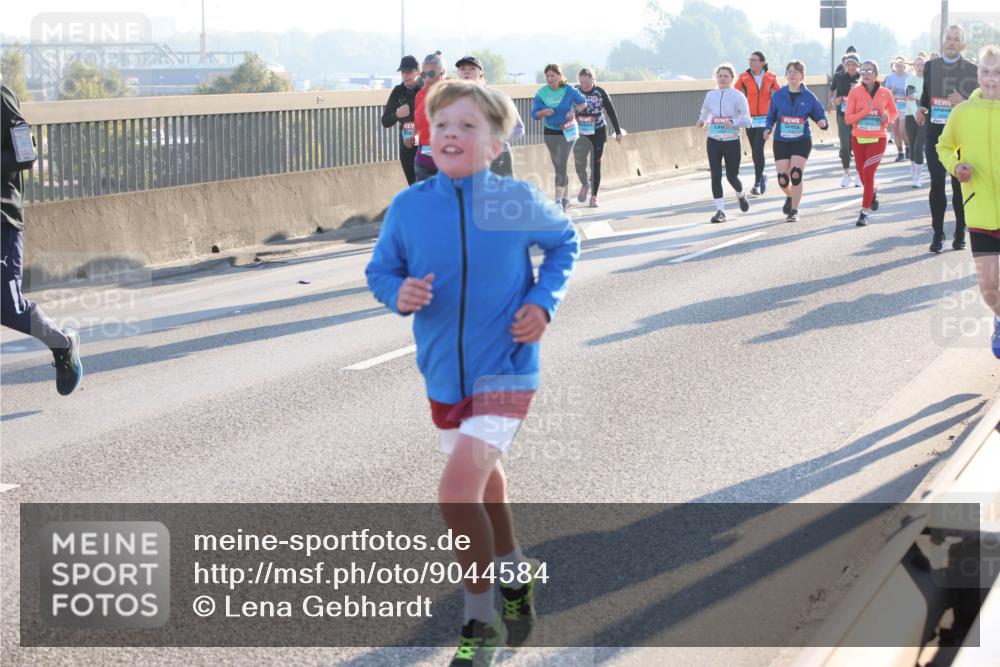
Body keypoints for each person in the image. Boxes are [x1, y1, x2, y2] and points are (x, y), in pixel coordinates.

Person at [366, 79, 579, 666]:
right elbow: (380, 270)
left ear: (496, 142)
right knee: (484, 480)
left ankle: (479, 619)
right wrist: (398, 293)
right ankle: (514, 575)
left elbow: (565, 243)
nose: (452, 134)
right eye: (443, 126)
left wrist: (542, 302)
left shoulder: (513, 201)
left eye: (468, 126)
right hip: (442, 376)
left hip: (507, 371)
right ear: (427, 138)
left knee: (458, 489)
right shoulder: (410, 206)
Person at [1, 82, 82, 395]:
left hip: (2, 218)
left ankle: (61, 343)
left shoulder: (1, 96)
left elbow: (25, 154)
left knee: (8, 307)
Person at [937, 45, 1000, 357]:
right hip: (980, 212)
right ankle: (999, 317)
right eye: (986, 72)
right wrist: (955, 166)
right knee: (989, 288)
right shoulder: (963, 113)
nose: (991, 79)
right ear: (978, 75)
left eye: (998, 72)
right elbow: (944, 147)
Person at [917, 25, 979, 253]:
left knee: (958, 186)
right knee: (936, 183)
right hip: (936, 134)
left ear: (963, 44)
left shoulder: (973, 70)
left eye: (956, 39)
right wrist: (921, 108)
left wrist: (962, 100)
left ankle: (960, 231)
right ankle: (937, 234)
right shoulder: (931, 66)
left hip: (963, 137)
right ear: (943, 41)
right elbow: (926, 93)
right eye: (948, 38)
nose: (952, 42)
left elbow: (980, 103)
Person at [763, 61, 829, 222]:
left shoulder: (809, 96)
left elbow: (820, 115)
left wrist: (822, 122)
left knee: (796, 174)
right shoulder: (778, 95)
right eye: (789, 71)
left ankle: (794, 210)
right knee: (783, 179)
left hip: (802, 140)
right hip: (781, 140)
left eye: (796, 72)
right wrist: (768, 128)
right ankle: (791, 195)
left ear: (802, 76)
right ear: (786, 75)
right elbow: (771, 115)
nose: (792, 74)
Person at [845, 60, 898, 226]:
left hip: (878, 139)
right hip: (858, 139)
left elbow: (894, 113)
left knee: (868, 173)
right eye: (864, 70)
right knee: (862, 175)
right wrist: (865, 112)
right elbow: (848, 119)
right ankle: (872, 191)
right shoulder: (855, 92)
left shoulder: (885, 93)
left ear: (876, 73)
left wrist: (887, 119)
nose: (866, 73)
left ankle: (864, 212)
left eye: (870, 70)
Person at [697, 63, 752, 223]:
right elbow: (705, 112)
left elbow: (747, 120)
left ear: (732, 78)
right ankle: (720, 211)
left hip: (732, 141)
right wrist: (702, 121)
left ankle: (741, 194)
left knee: (731, 176)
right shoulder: (710, 95)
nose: (722, 79)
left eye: (726, 76)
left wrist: (733, 122)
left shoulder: (738, 96)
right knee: (715, 175)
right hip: (713, 139)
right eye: (720, 75)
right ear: (716, 77)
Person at [456, 55, 525, 177]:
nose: (466, 72)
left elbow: (518, 128)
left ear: (481, 73)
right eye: (462, 69)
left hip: (498, 158)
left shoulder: (498, 98)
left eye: (472, 68)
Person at [531, 64, 587, 211]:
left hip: (567, 132)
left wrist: (574, 111)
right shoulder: (541, 93)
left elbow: (583, 103)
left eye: (553, 75)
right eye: (547, 76)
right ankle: (566, 198)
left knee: (561, 163)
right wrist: (544, 112)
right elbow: (534, 114)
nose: (550, 79)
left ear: (559, 76)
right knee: (558, 165)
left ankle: (557, 201)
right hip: (550, 132)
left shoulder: (568, 90)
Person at [573, 67, 624, 208]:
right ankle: (585, 183)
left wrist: (618, 131)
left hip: (598, 132)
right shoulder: (575, 91)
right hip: (581, 134)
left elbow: (611, 112)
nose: (584, 85)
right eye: (581, 82)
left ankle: (594, 196)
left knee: (595, 163)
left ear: (593, 80)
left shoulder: (600, 93)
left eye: (587, 82)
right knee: (579, 164)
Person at [736, 51, 780, 195]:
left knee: (758, 147)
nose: (751, 62)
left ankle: (756, 183)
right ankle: (762, 176)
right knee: (754, 151)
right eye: (750, 60)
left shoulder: (770, 77)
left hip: (765, 119)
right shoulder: (743, 77)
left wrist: (778, 111)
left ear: (762, 62)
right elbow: (734, 92)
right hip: (750, 118)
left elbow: (779, 94)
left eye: (754, 60)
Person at [381, 55, 424, 186]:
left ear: (418, 71)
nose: (406, 75)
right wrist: (396, 114)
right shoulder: (398, 92)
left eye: (409, 71)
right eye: (403, 72)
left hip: (425, 144)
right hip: (406, 145)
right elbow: (385, 121)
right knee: (413, 185)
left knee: (426, 182)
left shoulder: (426, 88)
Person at [413, 51, 448, 182]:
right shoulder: (420, 96)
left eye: (431, 73)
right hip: (424, 163)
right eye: (423, 74)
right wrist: (412, 137)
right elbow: (418, 127)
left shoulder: (454, 92)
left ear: (442, 72)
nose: (427, 78)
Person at [830, 53, 862, 187]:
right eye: (848, 64)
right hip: (843, 114)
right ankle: (846, 174)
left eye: (853, 65)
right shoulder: (839, 76)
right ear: (845, 65)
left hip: (860, 116)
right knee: (844, 146)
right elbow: (832, 93)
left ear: (858, 66)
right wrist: (834, 101)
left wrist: (859, 89)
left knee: (858, 146)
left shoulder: (863, 77)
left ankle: (859, 175)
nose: (851, 67)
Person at [905, 54, 928, 187]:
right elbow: (909, 97)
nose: (920, 67)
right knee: (912, 148)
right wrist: (915, 115)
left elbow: (928, 96)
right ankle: (914, 169)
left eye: (923, 64)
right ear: (914, 66)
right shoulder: (910, 79)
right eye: (918, 64)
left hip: (925, 116)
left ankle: (918, 178)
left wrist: (918, 96)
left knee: (919, 147)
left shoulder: (929, 80)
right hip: (911, 116)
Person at [882, 57, 911, 162]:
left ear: (905, 65)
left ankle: (908, 146)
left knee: (902, 129)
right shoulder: (890, 77)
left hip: (905, 106)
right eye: (897, 64)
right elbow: (885, 93)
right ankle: (900, 153)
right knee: (895, 130)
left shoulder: (909, 76)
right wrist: (891, 91)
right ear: (894, 65)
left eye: (901, 63)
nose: (899, 66)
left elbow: (912, 93)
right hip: (893, 106)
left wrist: (906, 96)